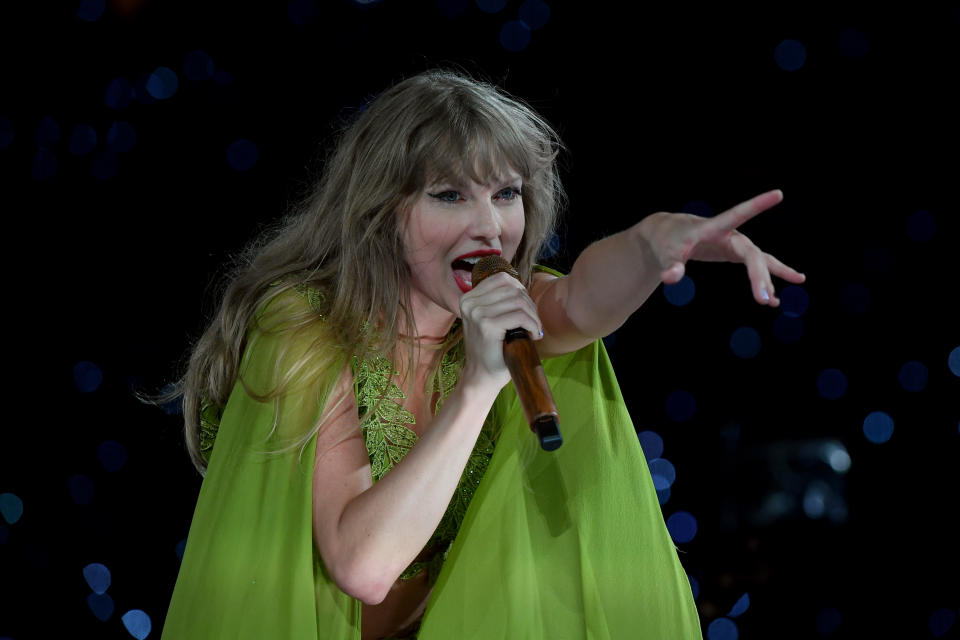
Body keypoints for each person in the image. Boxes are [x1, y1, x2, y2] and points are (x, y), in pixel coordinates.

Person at [156, 69, 805, 639]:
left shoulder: (510, 301)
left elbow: (581, 299)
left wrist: (655, 242)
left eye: (506, 194)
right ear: (380, 211)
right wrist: (476, 387)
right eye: (449, 195)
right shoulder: (303, 325)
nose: (490, 227)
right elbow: (364, 567)